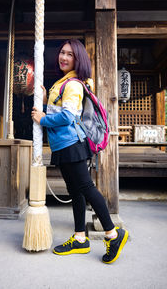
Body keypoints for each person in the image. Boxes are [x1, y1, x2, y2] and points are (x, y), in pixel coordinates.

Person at [31, 39, 128, 264]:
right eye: (62, 53)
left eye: (70, 55)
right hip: (64, 145)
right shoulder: (65, 82)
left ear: (78, 59)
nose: (63, 57)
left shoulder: (73, 84)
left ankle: (113, 234)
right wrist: (46, 102)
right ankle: (80, 238)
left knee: (86, 188)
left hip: (72, 144)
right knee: (76, 191)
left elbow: (67, 117)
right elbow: (62, 109)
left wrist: (43, 118)